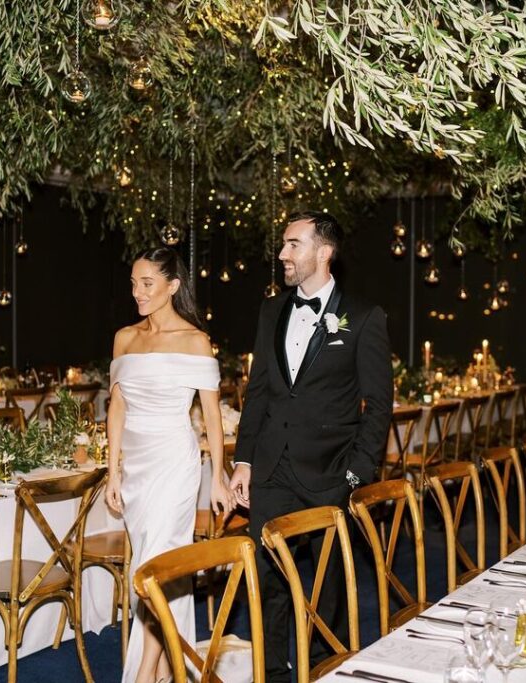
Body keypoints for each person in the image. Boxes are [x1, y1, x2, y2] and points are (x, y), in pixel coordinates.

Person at [228, 211, 392, 681]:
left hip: (330, 473)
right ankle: (273, 673)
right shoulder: (271, 310)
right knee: (269, 580)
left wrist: (355, 473)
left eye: (293, 245)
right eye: (283, 244)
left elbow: (378, 406)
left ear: (324, 252)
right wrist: (243, 461)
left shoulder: (363, 317)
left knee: (329, 587)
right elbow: (258, 391)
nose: (282, 254)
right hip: (272, 470)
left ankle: (327, 668)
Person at [106, 247, 234, 683]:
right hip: (136, 469)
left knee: (155, 566)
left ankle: (144, 671)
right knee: (151, 561)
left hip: (175, 463)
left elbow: (212, 416)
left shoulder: (195, 341)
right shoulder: (124, 337)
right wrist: (112, 471)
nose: (138, 292)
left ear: (172, 286)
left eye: (147, 284)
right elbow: (117, 408)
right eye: (134, 283)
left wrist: (217, 477)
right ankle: (168, 666)